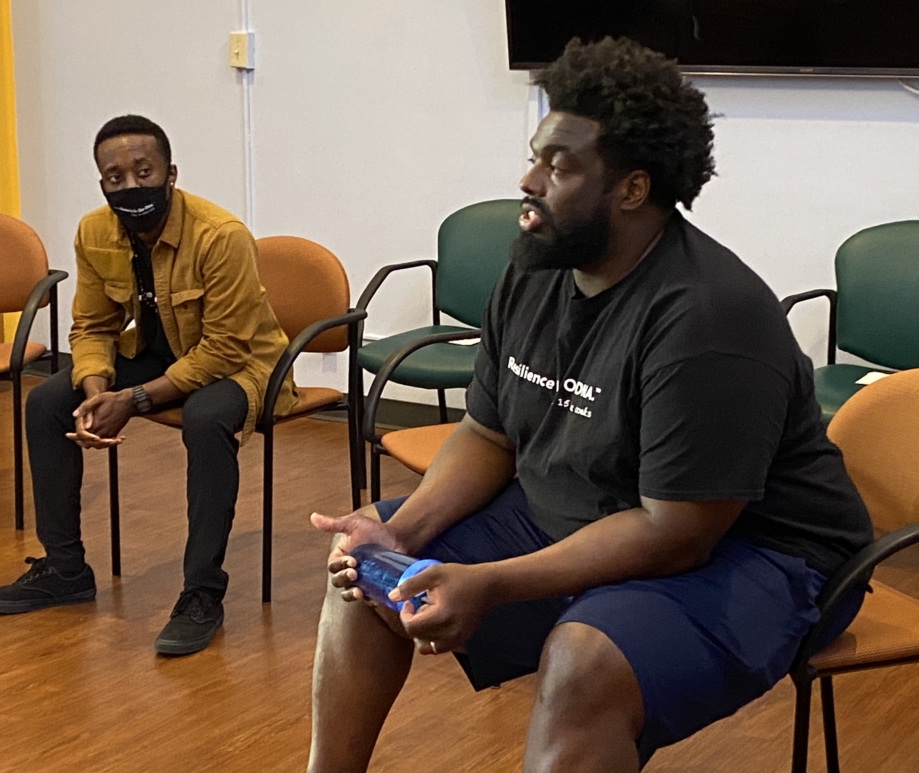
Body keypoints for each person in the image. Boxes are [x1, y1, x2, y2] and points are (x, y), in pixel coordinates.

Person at [307, 37, 873, 772]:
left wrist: (488, 583)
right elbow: (487, 431)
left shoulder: (708, 317)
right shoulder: (537, 262)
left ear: (632, 189)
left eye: (560, 165)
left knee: (584, 661)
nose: (528, 179)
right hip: (595, 505)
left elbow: (676, 535)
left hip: (761, 552)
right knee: (366, 562)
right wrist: (404, 533)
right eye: (537, 154)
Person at [0, 115, 297, 656]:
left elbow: (223, 348)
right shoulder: (94, 231)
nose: (130, 186)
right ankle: (64, 569)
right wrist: (98, 388)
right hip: (153, 351)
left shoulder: (221, 237)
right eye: (114, 177)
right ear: (102, 183)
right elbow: (94, 326)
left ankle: (201, 594)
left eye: (143, 171)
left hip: (241, 364)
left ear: (170, 173)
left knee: (206, 417)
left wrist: (135, 399)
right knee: (48, 401)